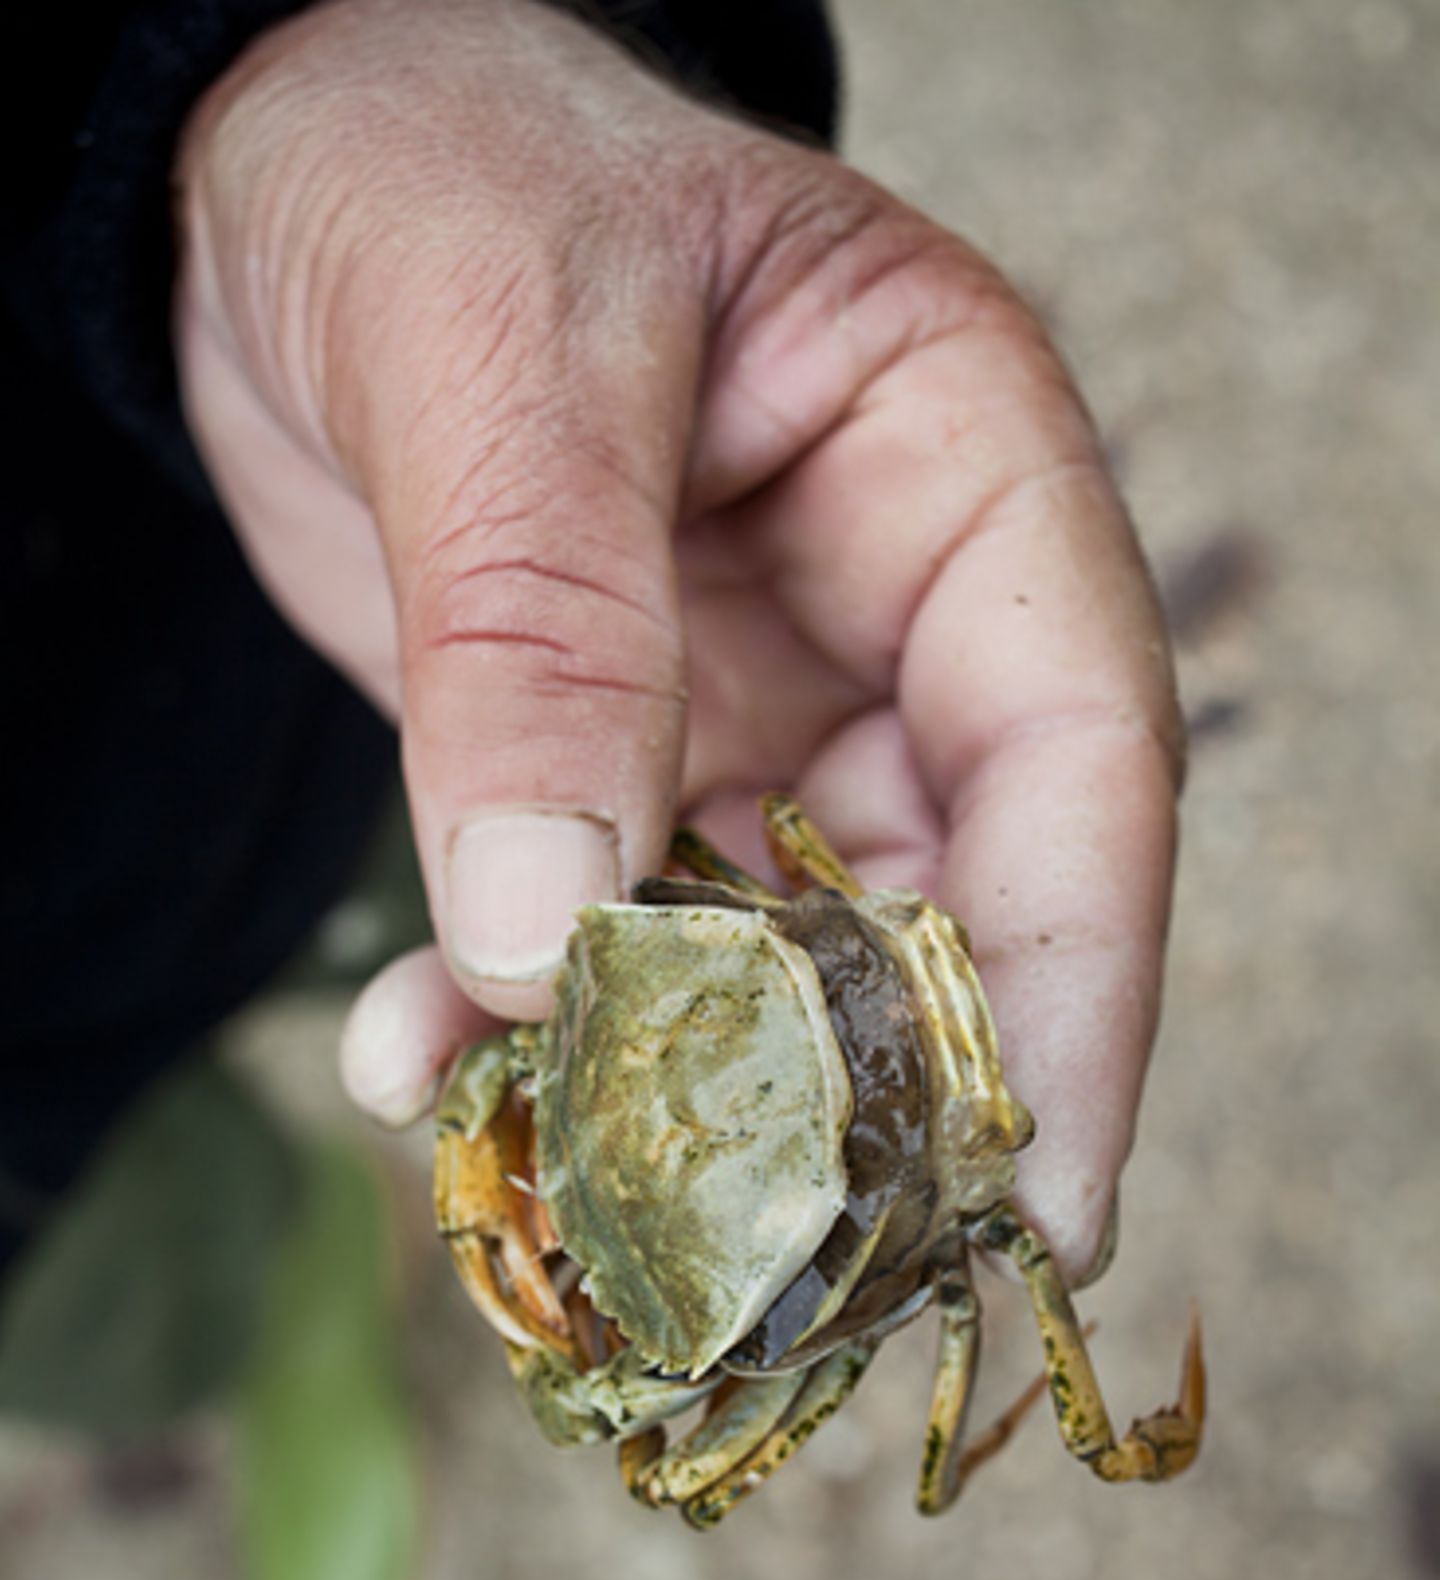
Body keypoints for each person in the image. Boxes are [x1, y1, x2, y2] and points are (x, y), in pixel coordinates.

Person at [2, 0, 1184, 1293]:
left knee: (493, 951)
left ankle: (298, 1220)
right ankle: (270, 1256)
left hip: (315, 636)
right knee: (162, 1273)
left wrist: (269, 50)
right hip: (74, 1053)